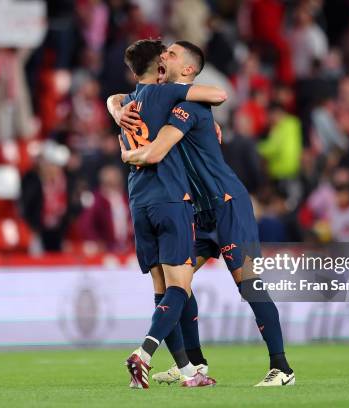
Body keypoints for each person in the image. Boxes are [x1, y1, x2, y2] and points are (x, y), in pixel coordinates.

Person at [114, 41, 295, 387]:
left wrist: (128, 156)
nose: (164, 56)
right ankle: (194, 365)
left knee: (249, 286)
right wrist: (113, 106)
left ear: (186, 71)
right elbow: (124, 96)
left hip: (227, 205)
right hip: (199, 211)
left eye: (171, 54)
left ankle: (282, 368)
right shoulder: (166, 101)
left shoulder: (186, 108)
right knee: (176, 284)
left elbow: (158, 150)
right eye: (163, 53)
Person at [106, 39, 226, 389]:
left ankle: (188, 371)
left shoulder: (126, 103)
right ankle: (143, 354)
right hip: (171, 198)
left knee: (163, 289)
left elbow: (115, 99)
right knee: (181, 286)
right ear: (160, 65)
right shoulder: (165, 94)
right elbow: (217, 94)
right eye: (167, 56)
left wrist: (112, 105)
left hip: (138, 201)